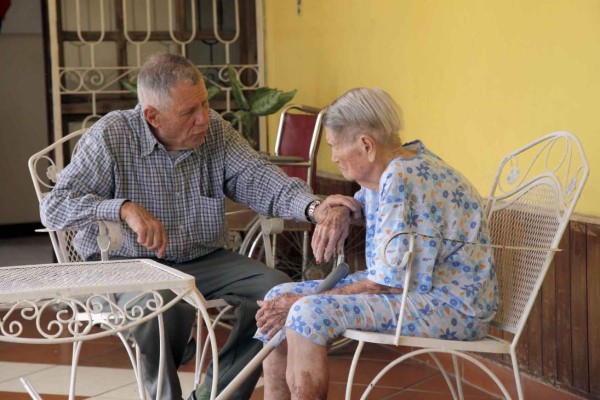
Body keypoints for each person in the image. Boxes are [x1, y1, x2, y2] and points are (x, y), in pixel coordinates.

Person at [40, 53, 356, 400]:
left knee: (277, 293)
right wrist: (123, 209)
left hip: (202, 258)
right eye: (189, 112)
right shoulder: (111, 136)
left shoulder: (215, 131)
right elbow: (54, 206)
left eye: (205, 103)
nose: (203, 118)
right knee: (160, 304)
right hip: (127, 266)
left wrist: (313, 207)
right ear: (152, 116)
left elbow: (259, 178)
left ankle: (215, 394)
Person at [255, 87, 499, 400]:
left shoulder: (403, 176)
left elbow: (390, 283)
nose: (334, 158)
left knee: (306, 312)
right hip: (419, 292)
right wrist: (341, 210)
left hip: (452, 304)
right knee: (280, 295)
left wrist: (302, 302)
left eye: (334, 147)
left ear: (366, 145)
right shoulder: (393, 167)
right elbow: (360, 205)